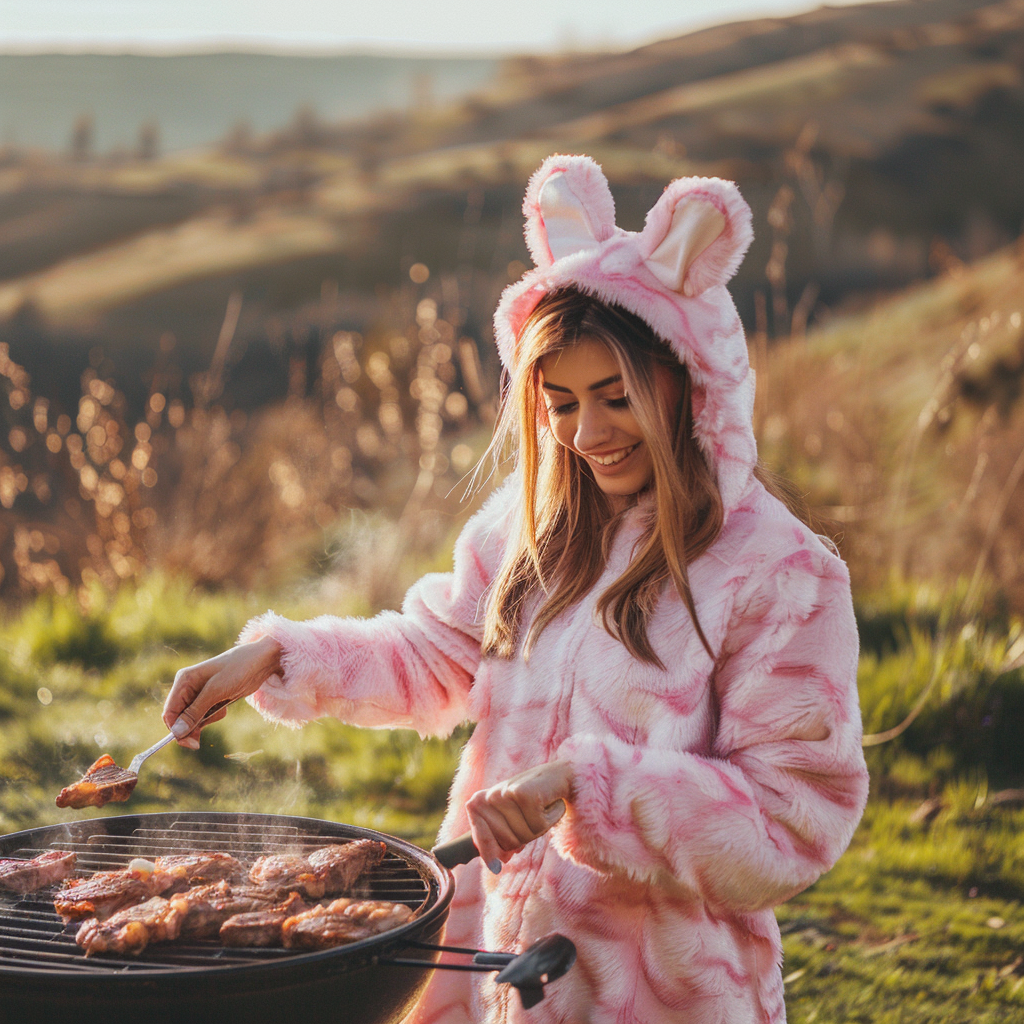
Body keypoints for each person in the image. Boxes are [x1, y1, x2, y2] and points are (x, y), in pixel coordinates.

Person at [163, 155, 869, 1024]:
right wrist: (274, 655)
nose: (586, 435)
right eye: (560, 403)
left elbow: (791, 822)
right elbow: (433, 653)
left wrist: (583, 785)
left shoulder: (782, 576)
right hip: (499, 957)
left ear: (689, 383)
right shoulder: (531, 529)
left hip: (658, 991)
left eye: (615, 398)